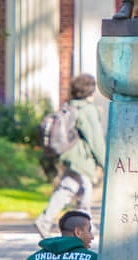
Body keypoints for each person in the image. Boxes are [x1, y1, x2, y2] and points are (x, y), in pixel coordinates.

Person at [36, 74, 108, 239]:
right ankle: (86, 227)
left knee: (68, 188)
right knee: (85, 191)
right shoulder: (87, 110)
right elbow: (95, 139)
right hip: (81, 158)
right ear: (91, 91)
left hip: (69, 155)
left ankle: (45, 221)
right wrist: (105, 163)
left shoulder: (69, 106)